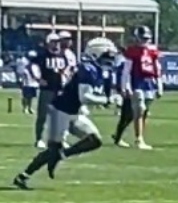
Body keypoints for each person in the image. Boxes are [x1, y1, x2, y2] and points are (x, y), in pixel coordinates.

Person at [12, 38, 117, 190]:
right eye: (107, 55)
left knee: (94, 140)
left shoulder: (99, 70)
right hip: (60, 110)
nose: (110, 59)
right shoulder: (87, 69)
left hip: (74, 111)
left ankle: (62, 155)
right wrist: (106, 100)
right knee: (52, 150)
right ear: (96, 54)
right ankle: (23, 176)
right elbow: (84, 96)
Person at [116, 25, 162, 150]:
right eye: (142, 38)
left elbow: (157, 68)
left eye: (146, 38)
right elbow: (127, 71)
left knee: (144, 111)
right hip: (137, 82)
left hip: (149, 83)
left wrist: (159, 84)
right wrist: (126, 86)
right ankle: (139, 139)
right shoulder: (132, 51)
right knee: (139, 110)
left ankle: (138, 137)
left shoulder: (152, 51)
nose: (144, 41)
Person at [31, 33, 69, 149]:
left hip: (59, 89)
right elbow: (32, 67)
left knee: (60, 117)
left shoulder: (62, 55)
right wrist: (38, 79)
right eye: (54, 42)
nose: (56, 44)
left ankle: (59, 139)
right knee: (42, 115)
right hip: (47, 90)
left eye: (57, 42)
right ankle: (39, 139)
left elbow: (66, 68)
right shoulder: (42, 55)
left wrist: (66, 78)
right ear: (48, 43)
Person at [17, 50, 38, 114]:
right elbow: (21, 71)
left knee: (31, 97)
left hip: (34, 83)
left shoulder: (35, 64)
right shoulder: (24, 62)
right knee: (26, 96)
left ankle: (30, 108)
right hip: (27, 82)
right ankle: (25, 108)